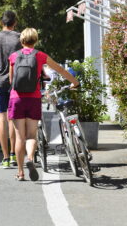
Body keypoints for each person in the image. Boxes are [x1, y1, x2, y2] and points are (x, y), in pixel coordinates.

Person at [9, 28, 79, 181]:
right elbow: (59, 69)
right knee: (31, 135)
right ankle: (30, 158)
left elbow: (11, 80)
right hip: (33, 98)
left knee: (19, 137)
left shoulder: (14, 56)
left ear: (21, 41)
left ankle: (20, 172)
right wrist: (74, 81)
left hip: (16, 99)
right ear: (35, 40)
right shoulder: (40, 56)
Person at [0, 10, 22, 168]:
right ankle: (14, 155)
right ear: (14, 22)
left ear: (2, 22)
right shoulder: (19, 38)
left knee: (1, 117)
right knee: (13, 118)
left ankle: (5, 158)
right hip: (16, 82)